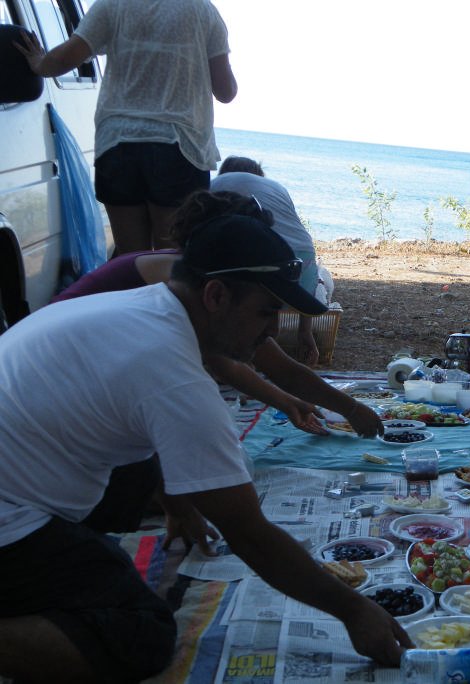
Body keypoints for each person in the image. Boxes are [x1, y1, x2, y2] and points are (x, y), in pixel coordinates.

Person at [0, 214, 410, 682]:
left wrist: (179, 503)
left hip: (24, 477)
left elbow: (147, 430)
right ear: (216, 295)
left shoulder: (147, 308)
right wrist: (355, 611)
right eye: (265, 312)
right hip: (11, 517)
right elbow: (250, 534)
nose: (272, 331)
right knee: (141, 635)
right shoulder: (174, 375)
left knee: (125, 527)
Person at [51, 190, 383, 438]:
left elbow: (276, 366)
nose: (270, 328)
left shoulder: (192, 277)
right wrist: (334, 406)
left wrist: (319, 405)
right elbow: (232, 365)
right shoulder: (177, 283)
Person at [16, 0, 237, 253]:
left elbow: (65, 58)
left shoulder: (112, 5)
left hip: (118, 143)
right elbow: (225, 92)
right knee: (170, 258)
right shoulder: (203, 11)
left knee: (130, 258)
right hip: (178, 144)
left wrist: (39, 63)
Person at [212, 156, 323, 364]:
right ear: (259, 174)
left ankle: (241, 356)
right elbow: (294, 236)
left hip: (267, 260)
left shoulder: (217, 185)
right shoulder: (276, 187)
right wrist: (305, 332)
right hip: (304, 260)